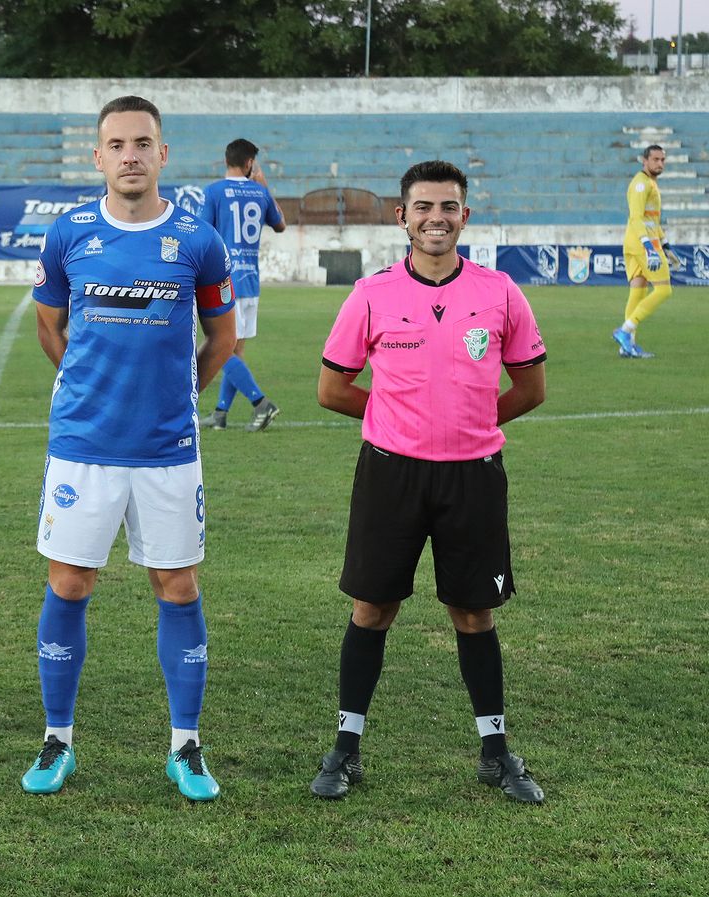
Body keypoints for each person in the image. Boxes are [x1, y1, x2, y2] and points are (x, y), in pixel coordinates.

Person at [22, 95, 236, 801]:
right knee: (69, 584)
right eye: (116, 144)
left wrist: (182, 395)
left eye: (143, 143)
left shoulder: (198, 239)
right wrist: (81, 385)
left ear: (163, 153)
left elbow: (224, 338)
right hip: (84, 443)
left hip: (169, 448)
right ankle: (57, 739)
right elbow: (49, 324)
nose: (131, 156)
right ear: (98, 156)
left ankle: (187, 745)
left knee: (176, 586)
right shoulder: (70, 233)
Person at [313, 160, 547, 804]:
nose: (436, 218)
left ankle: (496, 753)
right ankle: (346, 746)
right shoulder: (370, 293)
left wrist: (468, 425)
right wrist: (400, 418)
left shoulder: (501, 292)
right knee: (372, 607)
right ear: (402, 216)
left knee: (473, 611)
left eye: (449, 206)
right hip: (391, 474)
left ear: (465, 216)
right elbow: (332, 389)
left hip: (473, 476)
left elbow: (531, 387)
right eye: (423, 207)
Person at [198, 139, 285, 431]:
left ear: (228, 160)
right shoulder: (260, 192)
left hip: (223, 283)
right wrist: (264, 185)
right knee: (234, 352)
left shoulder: (214, 192)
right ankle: (221, 414)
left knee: (219, 349)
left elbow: (203, 236)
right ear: (249, 163)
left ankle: (261, 403)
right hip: (251, 283)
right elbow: (280, 224)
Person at [612, 144, 674, 358]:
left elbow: (652, 220)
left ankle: (626, 347)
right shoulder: (640, 184)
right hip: (643, 244)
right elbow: (636, 218)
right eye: (656, 159)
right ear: (644, 161)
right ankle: (625, 330)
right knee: (664, 290)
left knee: (638, 292)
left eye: (662, 160)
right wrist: (650, 247)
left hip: (638, 242)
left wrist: (665, 245)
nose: (660, 164)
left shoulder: (650, 183)